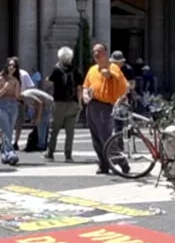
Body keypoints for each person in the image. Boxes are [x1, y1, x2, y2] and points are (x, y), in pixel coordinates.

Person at [83, 43, 128, 175]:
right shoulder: (91, 69)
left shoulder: (113, 67)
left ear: (106, 53)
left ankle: (121, 161)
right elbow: (86, 86)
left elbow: (115, 77)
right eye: (94, 52)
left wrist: (107, 73)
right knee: (95, 137)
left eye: (99, 51)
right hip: (91, 106)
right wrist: (85, 96)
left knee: (106, 137)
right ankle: (103, 164)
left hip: (105, 106)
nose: (96, 54)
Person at [45, 46, 80, 162]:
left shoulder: (56, 70)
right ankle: (68, 155)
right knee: (70, 132)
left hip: (59, 103)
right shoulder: (75, 70)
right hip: (73, 103)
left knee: (54, 129)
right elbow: (80, 87)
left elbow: (49, 83)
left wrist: (47, 79)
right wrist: (79, 103)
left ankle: (50, 153)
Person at [0, 57, 23, 166]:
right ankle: (11, 152)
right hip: (2, 105)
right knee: (6, 130)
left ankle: (4, 153)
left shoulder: (16, 80)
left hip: (13, 104)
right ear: (6, 66)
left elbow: (17, 96)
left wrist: (16, 86)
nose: (12, 68)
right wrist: (5, 88)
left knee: (10, 129)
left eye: (14, 66)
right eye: (10, 65)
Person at [20, 85, 53, 153]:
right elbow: (36, 106)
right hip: (46, 104)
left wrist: (37, 118)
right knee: (43, 125)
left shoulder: (26, 96)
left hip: (47, 104)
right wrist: (35, 117)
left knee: (42, 125)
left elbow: (39, 103)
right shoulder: (25, 97)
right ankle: (44, 143)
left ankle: (41, 145)